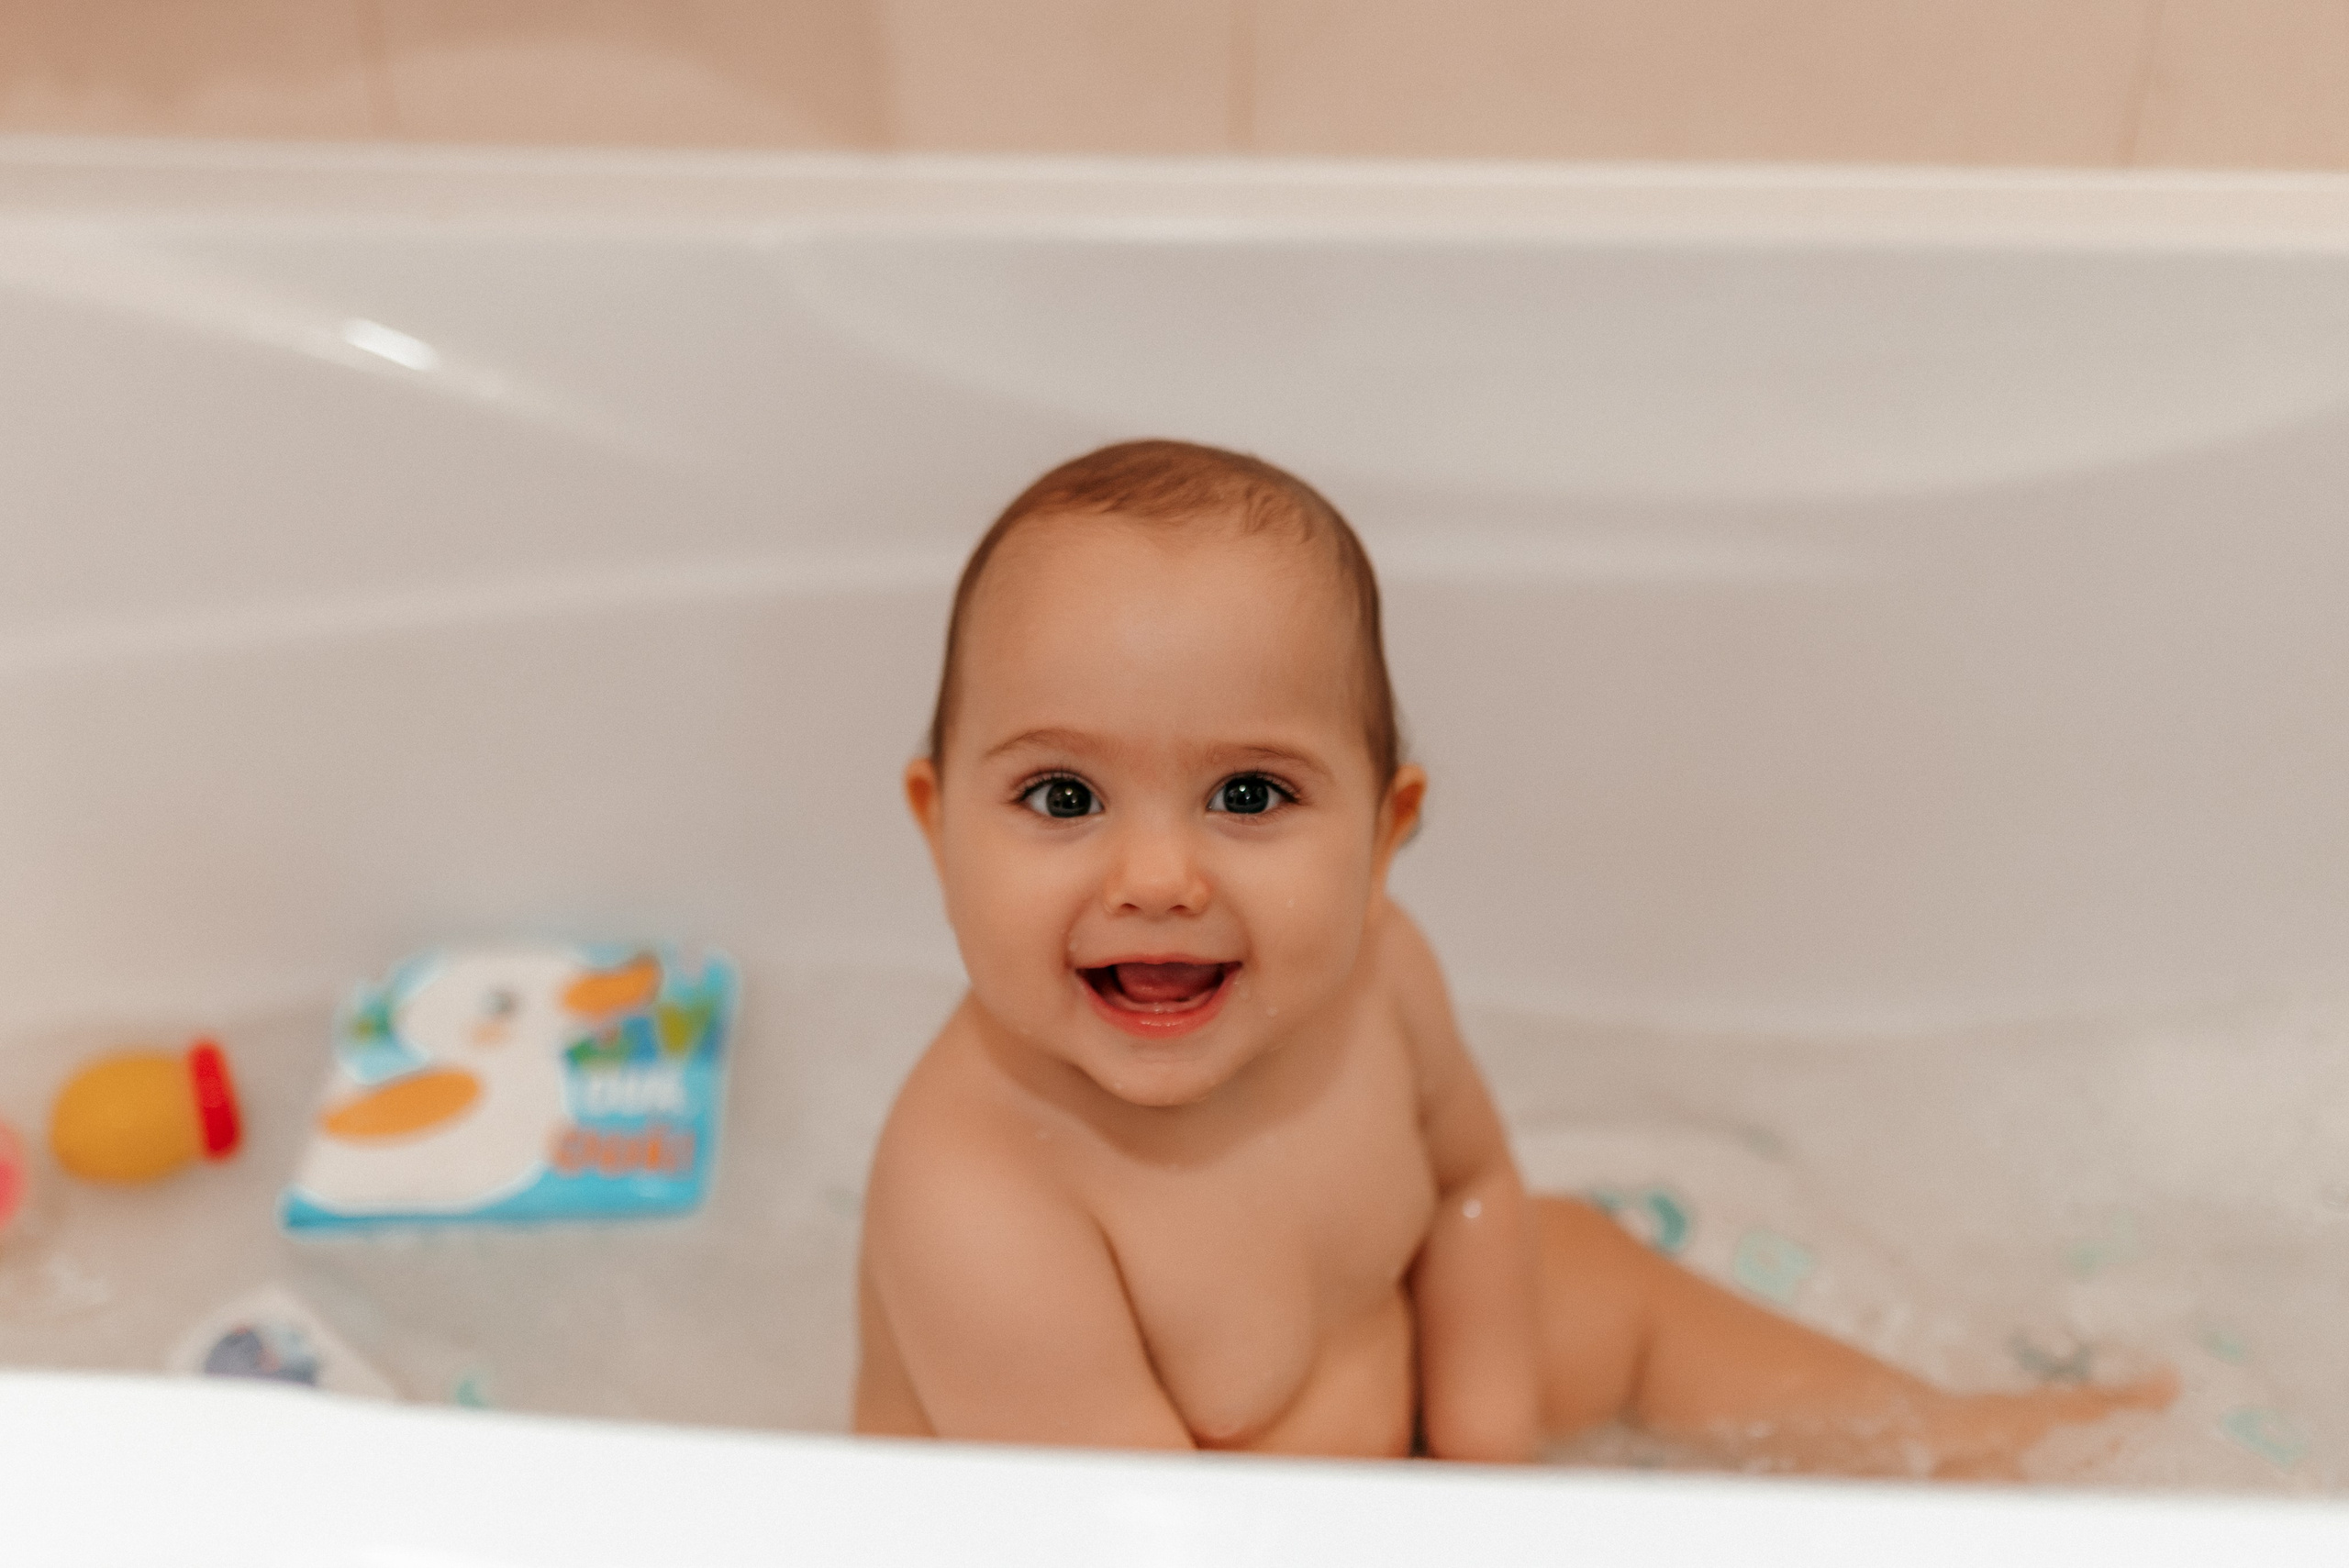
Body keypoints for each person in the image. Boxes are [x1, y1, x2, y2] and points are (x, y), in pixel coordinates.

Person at [852, 439, 2171, 1471]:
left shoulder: (1382, 980)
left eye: (1250, 796)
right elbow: (1125, 1531)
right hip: (1135, 1533)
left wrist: (1491, 1454)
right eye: (1064, 797)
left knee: (1580, 1265)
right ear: (937, 823)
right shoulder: (979, 1189)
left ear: (1384, 835)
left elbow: (1471, 1183)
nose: (1157, 879)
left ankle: (1956, 1444)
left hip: (1397, 1445)